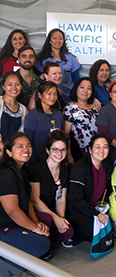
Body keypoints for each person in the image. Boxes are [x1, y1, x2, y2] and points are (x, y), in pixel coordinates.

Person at [0, 133, 50, 276]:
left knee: (45, 226)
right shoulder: (6, 174)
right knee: (42, 243)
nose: (26, 149)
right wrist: (35, 229)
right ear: (9, 152)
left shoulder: (21, 172)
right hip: (4, 227)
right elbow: (12, 211)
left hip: (14, 224)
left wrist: (37, 224)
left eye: (28, 146)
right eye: (20, 146)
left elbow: (27, 202)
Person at [27, 130, 74, 245]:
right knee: (47, 219)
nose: (59, 153)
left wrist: (61, 218)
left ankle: (48, 238)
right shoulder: (36, 169)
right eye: (55, 149)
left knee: (68, 231)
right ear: (48, 150)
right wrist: (55, 218)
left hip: (52, 210)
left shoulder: (64, 170)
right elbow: (35, 200)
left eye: (63, 150)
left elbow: (61, 199)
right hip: (36, 211)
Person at [66, 135, 112, 247]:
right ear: (90, 150)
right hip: (79, 209)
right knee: (92, 230)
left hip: (96, 207)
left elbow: (107, 190)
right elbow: (75, 199)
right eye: (97, 147)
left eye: (105, 147)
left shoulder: (107, 166)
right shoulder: (80, 168)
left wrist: (102, 208)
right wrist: (96, 214)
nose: (101, 151)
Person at [36, 28, 80, 103]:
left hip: (68, 98)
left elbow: (76, 81)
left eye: (60, 39)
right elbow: (40, 81)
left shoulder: (72, 59)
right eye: (55, 38)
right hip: (49, 99)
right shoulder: (42, 59)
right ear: (49, 41)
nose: (58, 41)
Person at [24, 81, 63, 163]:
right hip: (37, 161)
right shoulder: (33, 115)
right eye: (49, 93)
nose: (52, 97)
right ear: (40, 95)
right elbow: (28, 141)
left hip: (56, 159)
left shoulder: (58, 114)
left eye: (55, 94)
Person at [63, 77, 99, 163]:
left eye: (89, 88)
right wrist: (68, 155)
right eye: (82, 87)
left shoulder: (95, 107)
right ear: (76, 89)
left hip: (97, 151)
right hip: (79, 152)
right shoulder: (69, 109)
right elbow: (66, 135)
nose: (85, 91)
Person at [0, 72, 28, 142]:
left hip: (12, 150)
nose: (14, 87)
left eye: (17, 84)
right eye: (10, 84)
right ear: (3, 87)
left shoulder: (23, 109)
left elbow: (21, 132)